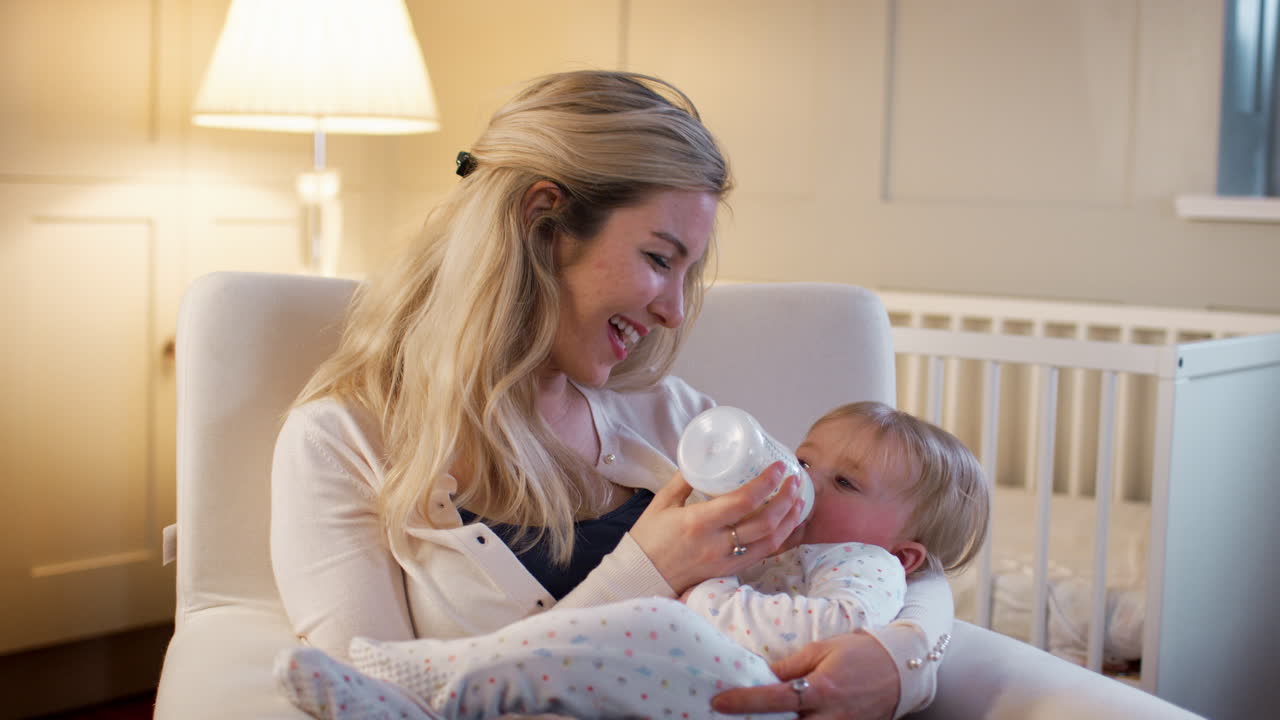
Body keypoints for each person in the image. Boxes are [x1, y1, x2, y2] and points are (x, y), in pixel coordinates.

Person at [268, 70, 956, 720]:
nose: (675, 313)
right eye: (659, 260)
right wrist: (647, 570)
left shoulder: (676, 419)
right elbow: (367, 695)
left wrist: (899, 665)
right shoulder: (344, 441)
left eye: (688, 273)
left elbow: (876, 552)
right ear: (544, 223)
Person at [274, 401, 989, 719]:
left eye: (845, 483)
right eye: (805, 459)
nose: (801, 480)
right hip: (675, 687)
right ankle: (440, 688)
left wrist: (903, 661)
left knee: (661, 626)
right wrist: (668, 569)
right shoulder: (340, 433)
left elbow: (893, 591)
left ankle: (438, 689)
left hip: (743, 692)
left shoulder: (859, 562)